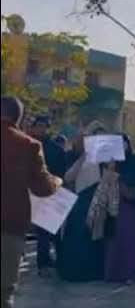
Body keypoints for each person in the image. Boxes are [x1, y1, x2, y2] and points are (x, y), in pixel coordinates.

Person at [1, 97, 63, 308]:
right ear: (19, 118)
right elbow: (43, 188)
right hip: (10, 227)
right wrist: (57, 181)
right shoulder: (28, 145)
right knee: (4, 292)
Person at [57, 132, 106, 282]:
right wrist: (84, 156)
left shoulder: (101, 159)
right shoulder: (72, 156)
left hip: (96, 199)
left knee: (93, 237)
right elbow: (68, 177)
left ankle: (92, 271)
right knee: (76, 236)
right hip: (79, 201)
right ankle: (73, 272)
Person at [103, 135, 135, 284]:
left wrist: (121, 178)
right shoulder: (111, 161)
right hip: (112, 204)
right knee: (113, 241)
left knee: (129, 240)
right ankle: (113, 274)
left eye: (123, 143)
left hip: (130, 204)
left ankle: (129, 274)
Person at [27, 116, 68, 278]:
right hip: (35, 192)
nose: (41, 129)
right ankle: (43, 263)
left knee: (53, 230)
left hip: (52, 192)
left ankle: (58, 260)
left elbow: (62, 173)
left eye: (44, 126)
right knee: (43, 232)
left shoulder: (56, 149)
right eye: (39, 126)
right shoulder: (28, 145)